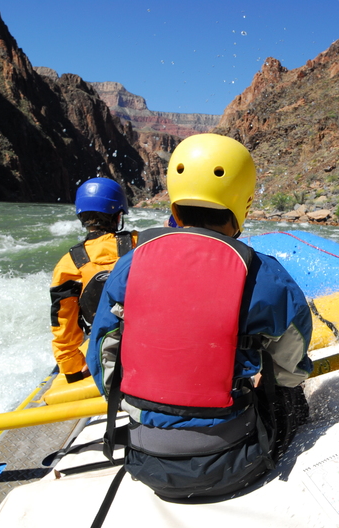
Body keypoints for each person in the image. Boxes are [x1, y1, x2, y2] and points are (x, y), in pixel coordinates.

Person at [86, 133, 313, 499]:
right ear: (243, 205)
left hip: (145, 460)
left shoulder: (128, 266)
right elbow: (293, 367)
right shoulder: (264, 274)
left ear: (174, 208)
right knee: (289, 390)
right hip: (238, 460)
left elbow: (101, 360)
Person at [50, 177, 137, 383]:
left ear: (82, 217)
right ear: (118, 216)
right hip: (146, 341)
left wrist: (73, 370)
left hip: (106, 345)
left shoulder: (68, 263)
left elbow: (63, 322)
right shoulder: (141, 243)